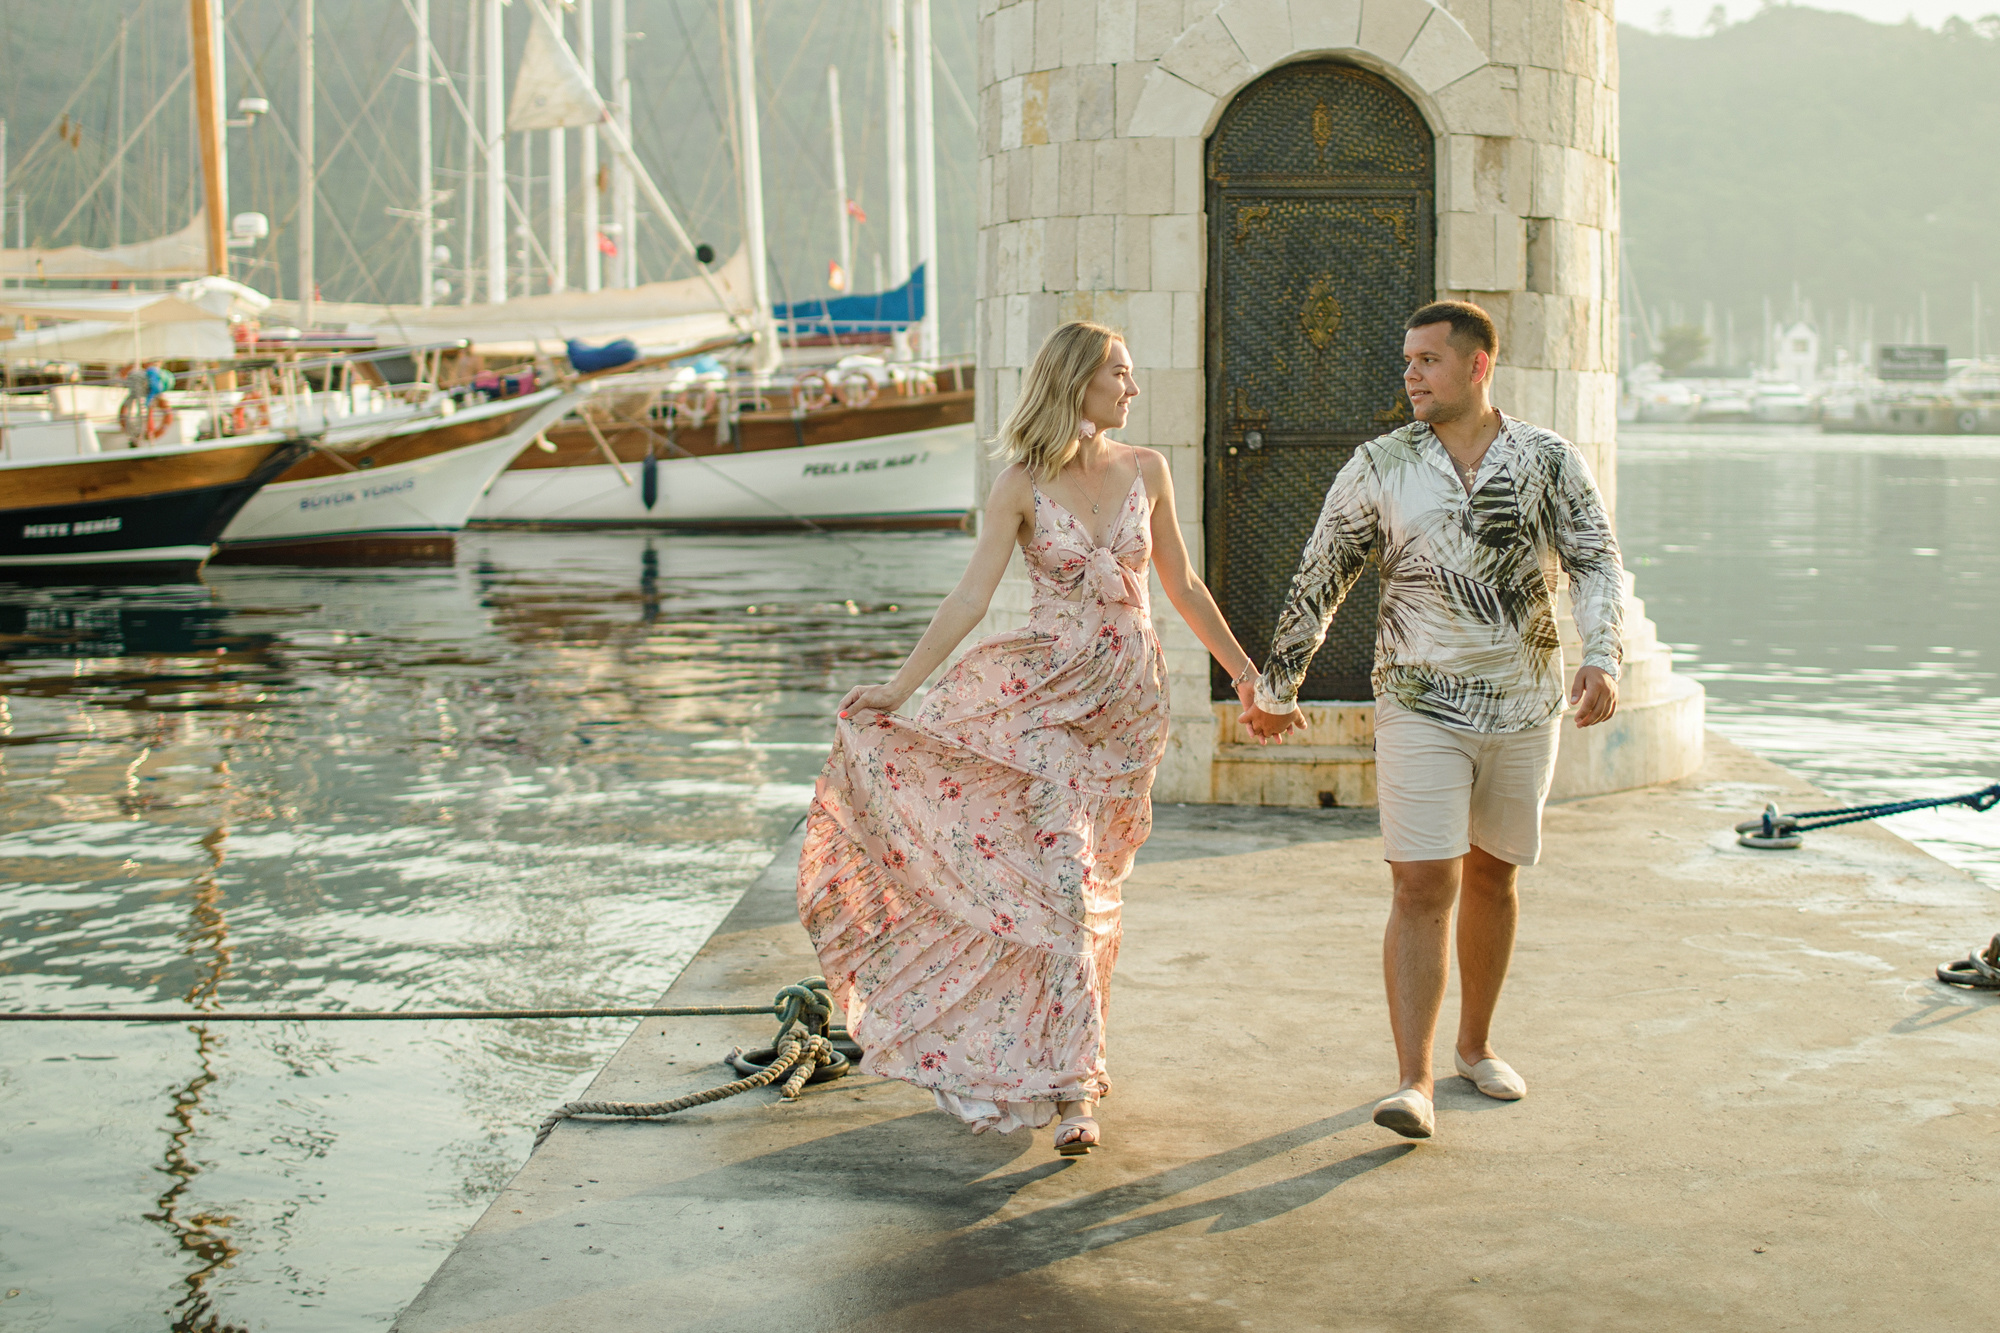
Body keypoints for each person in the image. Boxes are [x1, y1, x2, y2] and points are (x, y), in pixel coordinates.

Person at [798, 321, 1260, 1156]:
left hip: (1126, 713)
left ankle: (1041, 1051)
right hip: (1041, 701)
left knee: (1095, 890)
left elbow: (1181, 585)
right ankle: (1079, 1088)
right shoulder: (1019, 486)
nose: (1132, 387)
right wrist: (900, 689)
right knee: (1064, 891)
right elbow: (970, 599)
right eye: (1120, 373)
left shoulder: (1147, 470)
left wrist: (1246, 674)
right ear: (1078, 380)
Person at [1242, 300, 1624, 1140]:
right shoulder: (1381, 463)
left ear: (1478, 365)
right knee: (1422, 883)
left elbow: (1597, 560)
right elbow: (1322, 575)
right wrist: (1277, 690)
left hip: (1526, 705)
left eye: (1427, 361)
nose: (1410, 374)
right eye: (1407, 360)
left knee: (1495, 875)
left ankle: (1475, 1048)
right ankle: (1411, 1081)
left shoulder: (1548, 461)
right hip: (1417, 704)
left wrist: (1605, 654)